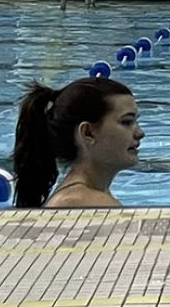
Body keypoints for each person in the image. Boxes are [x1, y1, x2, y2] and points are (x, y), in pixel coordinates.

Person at [11, 77, 144, 208]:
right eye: (126, 122)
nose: (140, 133)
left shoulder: (85, 195)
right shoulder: (87, 203)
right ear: (88, 133)